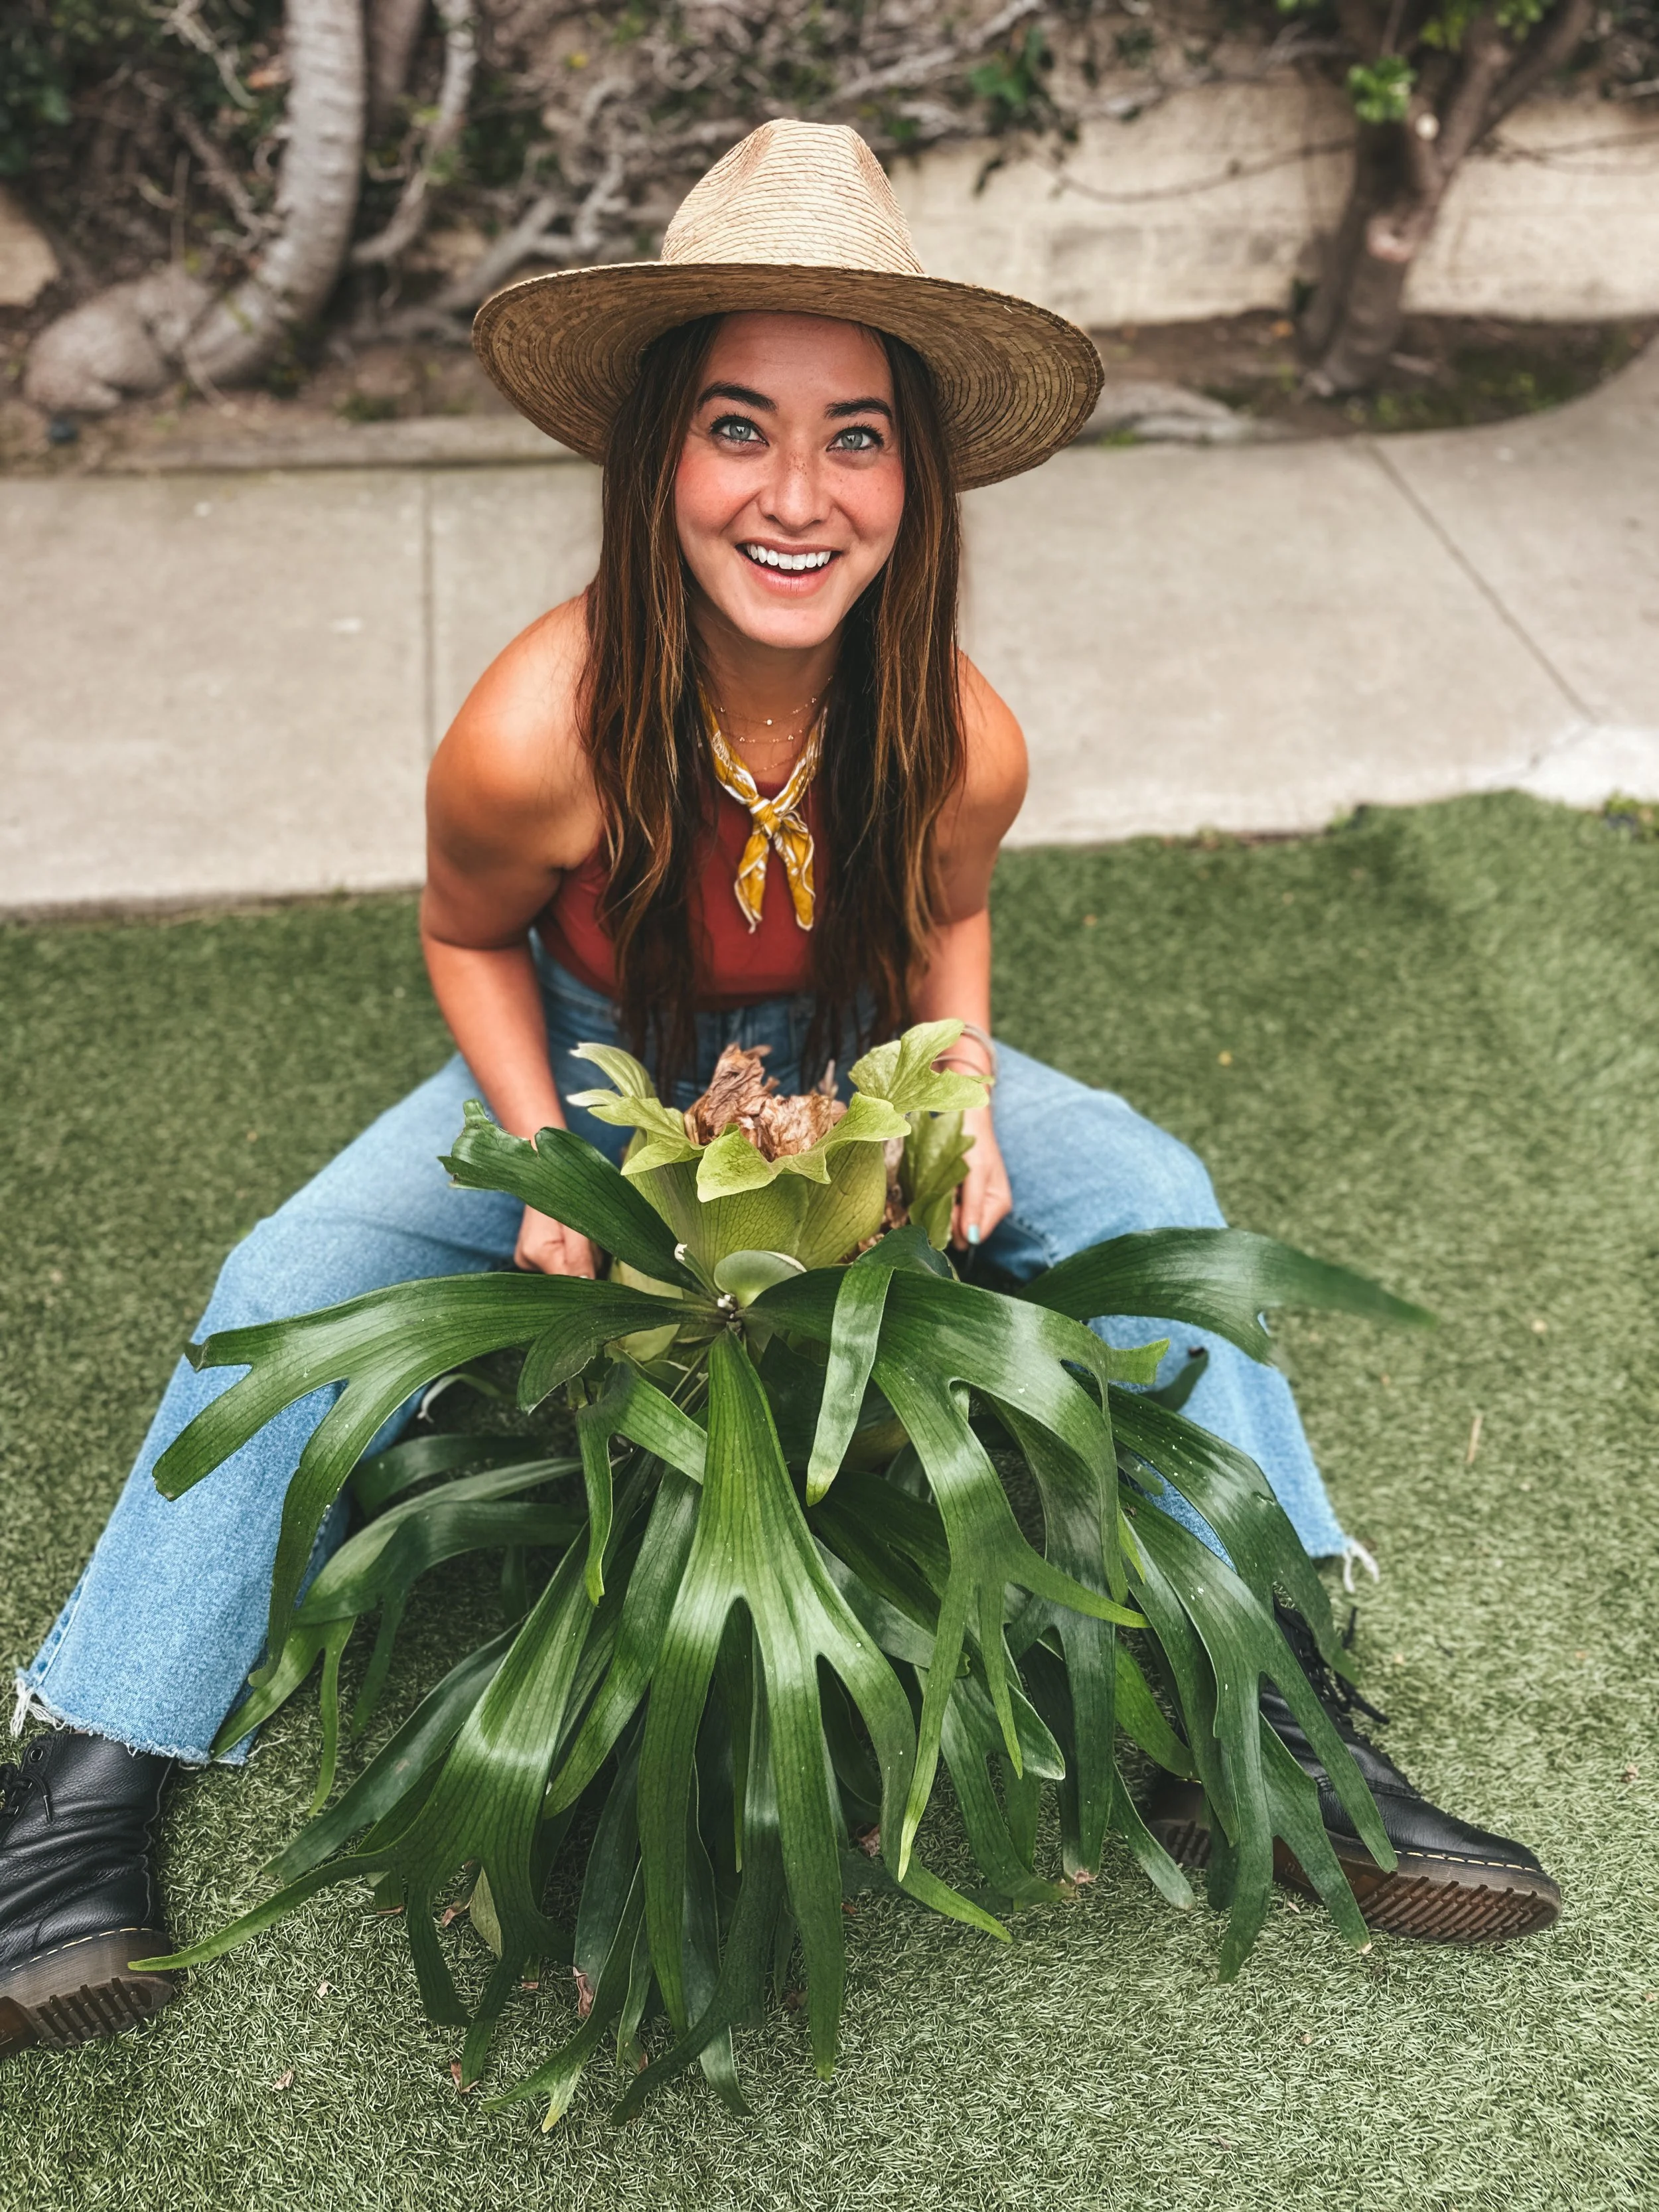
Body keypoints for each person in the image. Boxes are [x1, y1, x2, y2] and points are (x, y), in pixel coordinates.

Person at [0, 121, 1559, 2061]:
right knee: (285, 1276)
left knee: (1148, 1184)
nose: (795, 493)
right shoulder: (532, 730)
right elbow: (467, 936)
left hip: (847, 1044)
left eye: (855, 437)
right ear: (657, 458)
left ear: (914, 475)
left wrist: (956, 1087)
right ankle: (84, 1787)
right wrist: (552, 1141)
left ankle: (1272, 1715)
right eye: (740, 428)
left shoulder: (952, 729)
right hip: (583, 1044)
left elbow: (951, 917)